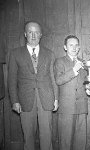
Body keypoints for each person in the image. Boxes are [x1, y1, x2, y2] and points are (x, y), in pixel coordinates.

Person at [8, 21, 58, 150]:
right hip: (25, 100)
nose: (33, 35)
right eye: (30, 32)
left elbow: (53, 78)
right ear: (25, 34)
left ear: (41, 35)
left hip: (46, 98)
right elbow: (12, 80)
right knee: (28, 136)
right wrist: (14, 101)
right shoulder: (15, 53)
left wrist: (56, 99)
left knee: (47, 135)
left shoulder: (49, 54)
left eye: (36, 32)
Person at [54, 35, 89, 150]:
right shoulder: (59, 61)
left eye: (76, 45)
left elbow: (85, 83)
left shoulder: (84, 63)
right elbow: (58, 80)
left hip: (82, 107)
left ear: (79, 47)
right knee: (65, 142)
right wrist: (74, 70)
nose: (74, 48)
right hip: (66, 108)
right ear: (65, 47)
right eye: (71, 45)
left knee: (80, 142)